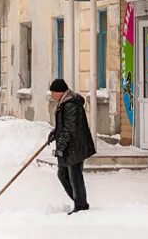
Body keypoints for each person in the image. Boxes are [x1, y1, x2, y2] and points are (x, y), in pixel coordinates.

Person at [47, 78, 96, 214]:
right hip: (70, 146)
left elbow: (70, 129)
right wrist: (55, 133)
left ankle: (81, 205)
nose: (52, 95)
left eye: (53, 92)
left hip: (75, 146)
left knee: (75, 177)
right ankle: (78, 201)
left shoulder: (70, 105)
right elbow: (64, 125)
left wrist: (60, 147)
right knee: (63, 174)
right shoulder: (64, 103)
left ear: (60, 92)